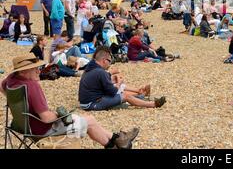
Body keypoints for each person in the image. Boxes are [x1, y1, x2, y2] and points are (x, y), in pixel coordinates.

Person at [0, 53, 140, 149]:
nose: (39, 71)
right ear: (23, 72)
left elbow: (1, 86)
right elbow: (46, 118)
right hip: (42, 130)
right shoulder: (32, 86)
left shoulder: (11, 80)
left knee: (89, 120)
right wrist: (62, 114)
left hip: (25, 125)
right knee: (90, 121)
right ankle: (117, 143)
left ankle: (118, 139)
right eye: (34, 68)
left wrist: (16, 101)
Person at [79, 47, 166, 111]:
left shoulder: (91, 67)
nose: (110, 64)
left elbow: (102, 84)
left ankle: (141, 96)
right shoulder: (100, 72)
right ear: (104, 60)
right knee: (125, 95)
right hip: (91, 104)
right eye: (109, 61)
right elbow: (113, 92)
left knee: (121, 92)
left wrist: (113, 80)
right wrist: (119, 83)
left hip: (88, 101)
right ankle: (152, 104)